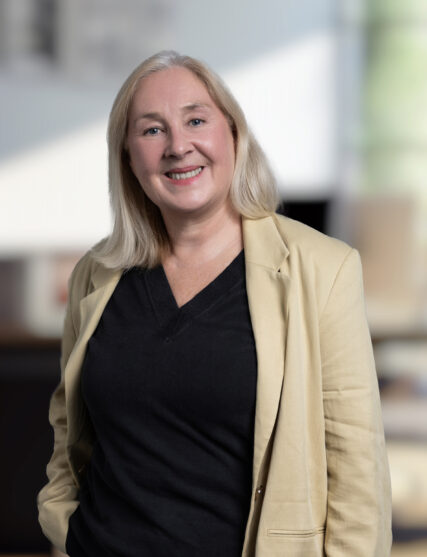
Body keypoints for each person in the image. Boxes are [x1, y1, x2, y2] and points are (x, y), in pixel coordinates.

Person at [38, 50, 392, 557]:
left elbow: (356, 470)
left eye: (196, 120)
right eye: (152, 130)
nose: (179, 146)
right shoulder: (96, 274)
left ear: (232, 133)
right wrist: (65, 526)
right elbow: (69, 428)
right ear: (128, 157)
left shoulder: (322, 268)